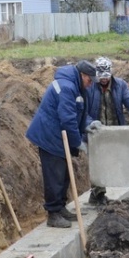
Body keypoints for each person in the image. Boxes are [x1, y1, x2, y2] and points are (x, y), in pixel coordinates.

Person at [25, 60, 97, 228]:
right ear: (82, 75)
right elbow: (68, 119)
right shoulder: (67, 87)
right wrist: (78, 142)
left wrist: (88, 123)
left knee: (63, 174)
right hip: (50, 136)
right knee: (54, 176)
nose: (90, 84)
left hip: (58, 136)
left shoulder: (77, 86)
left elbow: (80, 111)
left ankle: (60, 207)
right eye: (89, 80)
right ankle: (53, 213)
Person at [83, 56, 129, 205]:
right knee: (98, 163)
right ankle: (98, 194)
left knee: (112, 161)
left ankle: (99, 194)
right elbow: (82, 110)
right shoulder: (89, 87)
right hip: (96, 132)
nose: (104, 80)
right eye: (101, 78)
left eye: (106, 77)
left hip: (114, 132)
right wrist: (90, 123)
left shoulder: (120, 86)